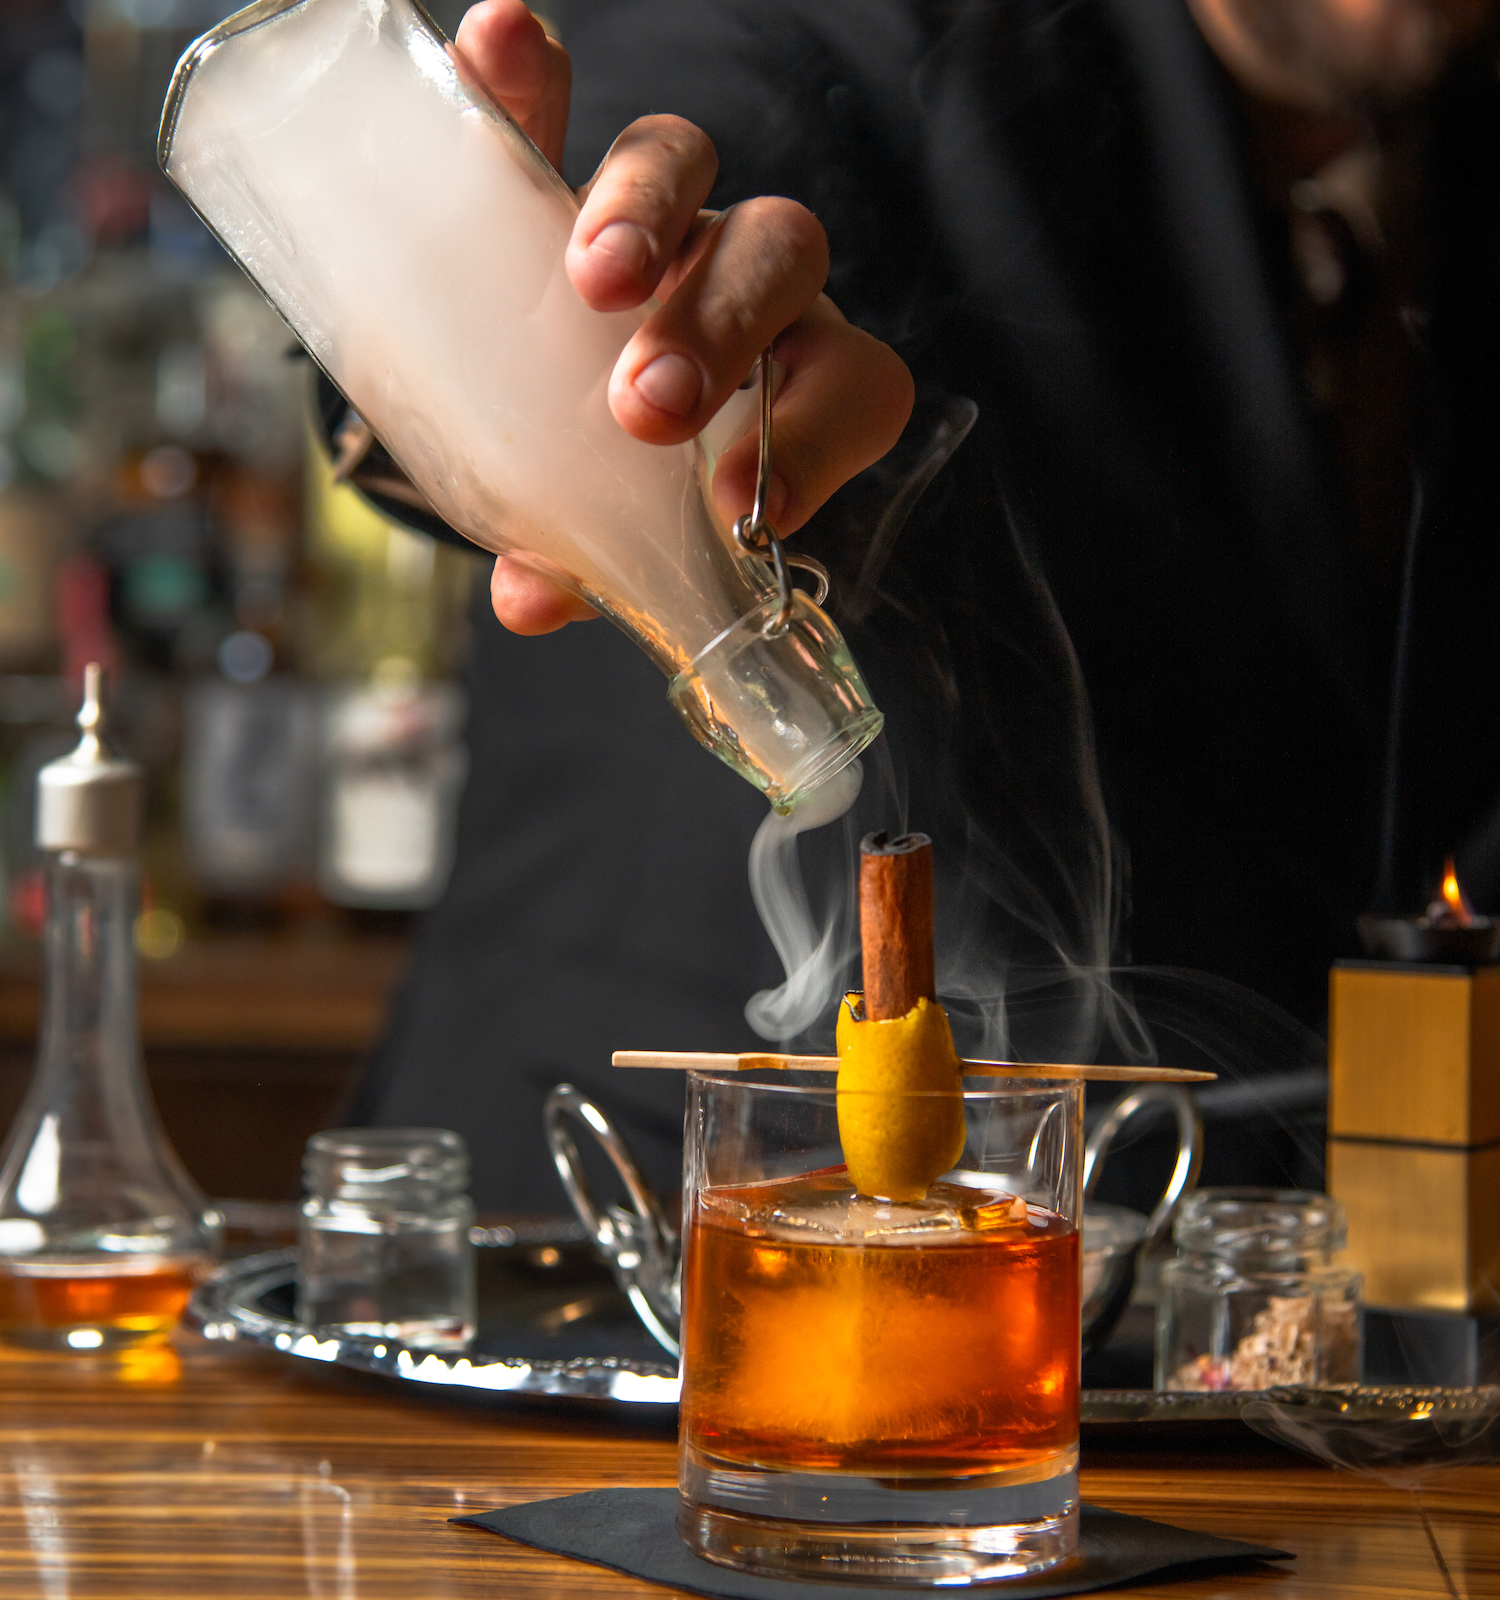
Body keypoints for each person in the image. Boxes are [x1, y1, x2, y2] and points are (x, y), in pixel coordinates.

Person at [349, 0, 1498, 1208]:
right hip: (618, 1246)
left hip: (1215, 1294)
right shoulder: (869, 29)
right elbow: (671, 150)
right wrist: (520, 336)